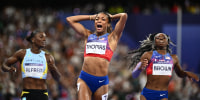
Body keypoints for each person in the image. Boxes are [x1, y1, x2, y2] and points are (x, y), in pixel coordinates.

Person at [66, 12, 127, 100]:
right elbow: (70, 19)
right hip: (85, 78)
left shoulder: (112, 38)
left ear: (107, 23)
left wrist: (111, 17)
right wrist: (91, 17)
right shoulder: (88, 35)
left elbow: (123, 16)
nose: (99, 21)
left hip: (101, 82)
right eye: (97, 19)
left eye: (103, 20)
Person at [128, 33, 199, 100]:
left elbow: (180, 73)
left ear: (167, 42)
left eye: (163, 38)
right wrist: (140, 68)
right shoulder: (148, 55)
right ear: (154, 42)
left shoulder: (174, 58)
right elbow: (134, 75)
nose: (161, 39)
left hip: (162, 94)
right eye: (158, 38)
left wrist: (187, 73)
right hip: (147, 93)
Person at [1, 30, 67, 100]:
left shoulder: (48, 57)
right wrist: (8, 69)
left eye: (45, 38)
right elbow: (4, 66)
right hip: (27, 93)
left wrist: (53, 68)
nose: (44, 39)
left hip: (42, 94)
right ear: (33, 40)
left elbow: (57, 78)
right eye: (41, 37)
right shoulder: (22, 54)